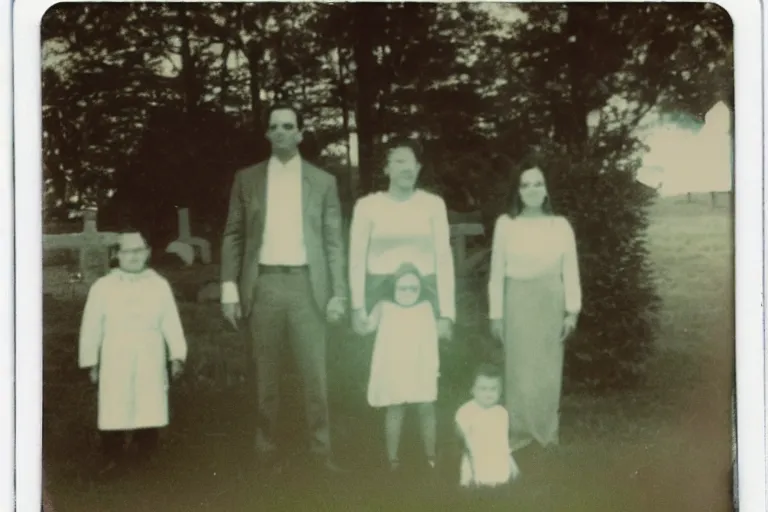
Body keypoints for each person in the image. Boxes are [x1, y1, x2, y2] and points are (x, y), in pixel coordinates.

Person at [220, 102, 347, 473]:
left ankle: (322, 453)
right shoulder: (247, 179)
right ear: (267, 134)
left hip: (309, 286)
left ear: (301, 133)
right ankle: (265, 451)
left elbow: (333, 242)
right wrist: (229, 287)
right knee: (266, 375)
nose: (281, 132)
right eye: (274, 126)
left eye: (288, 126)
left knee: (316, 376)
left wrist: (338, 292)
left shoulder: (323, 182)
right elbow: (233, 233)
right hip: (265, 286)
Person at [348, 136, 456, 471]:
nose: (407, 167)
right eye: (398, 161)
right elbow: (356, 258)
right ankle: (385, 456)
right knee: (385, 376)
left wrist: (446, 312)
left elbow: (443, 257)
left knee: (423, 376)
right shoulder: (367, 206)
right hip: (382, 299)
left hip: (424, 299)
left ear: (419, 167)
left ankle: (429, 454)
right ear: (385, 168)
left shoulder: (432, 204)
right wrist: (357, 307)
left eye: (411, 161)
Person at [487, 163, 582, 452]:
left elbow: (570, 270)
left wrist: (572, 311)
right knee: (518, 369)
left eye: (538, 184)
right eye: (526, 185)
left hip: (550, 300)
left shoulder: (560, 225)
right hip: (517, 299)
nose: (532, 190)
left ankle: (545, 431)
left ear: (546, 190)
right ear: (518, 191)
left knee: (548, 368)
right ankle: (519, 432)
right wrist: (496, 315)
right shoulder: (506, 224)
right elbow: (496, 273)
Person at [78, 229, 187, 475]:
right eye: (127, 251)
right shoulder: (103, 287)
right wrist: (91, 362)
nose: (133, 256)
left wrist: (176, 355)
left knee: (149, 401)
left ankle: (146, 452)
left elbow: (171, 321)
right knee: (115, 402)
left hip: (150, 352)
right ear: (117, 255)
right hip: (116, 352)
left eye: (138, 251)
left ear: (147, 253)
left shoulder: (159, 285)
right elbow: (92, 326)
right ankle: (112, 455)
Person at [359, 263, 440, 472]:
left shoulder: (425, 308)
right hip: (393, 368)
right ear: (393, 288)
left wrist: (432, 368)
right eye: (403, 288)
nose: (408, 293)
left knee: (426, 407)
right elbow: (364, 327)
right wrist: (357, 310)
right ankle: (392, 459)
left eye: (413, 288)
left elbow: (432, 340)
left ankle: (431, 456)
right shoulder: (384, 307)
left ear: (420, 289)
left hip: (420, 367)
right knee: (395, 408)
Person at [455, 363, 521, 492]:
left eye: (493, 389)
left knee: (503, 477)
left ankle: (500, 478)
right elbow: (462, 438)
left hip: (496, 452)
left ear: (500, 391)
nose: (488, 394)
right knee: (476, 479)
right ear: (472, 390)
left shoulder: (501, 412)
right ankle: (475, 481)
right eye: (483, 389)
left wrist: (512, 464)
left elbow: (503, 441)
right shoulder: (466, 411)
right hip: (475, 453)